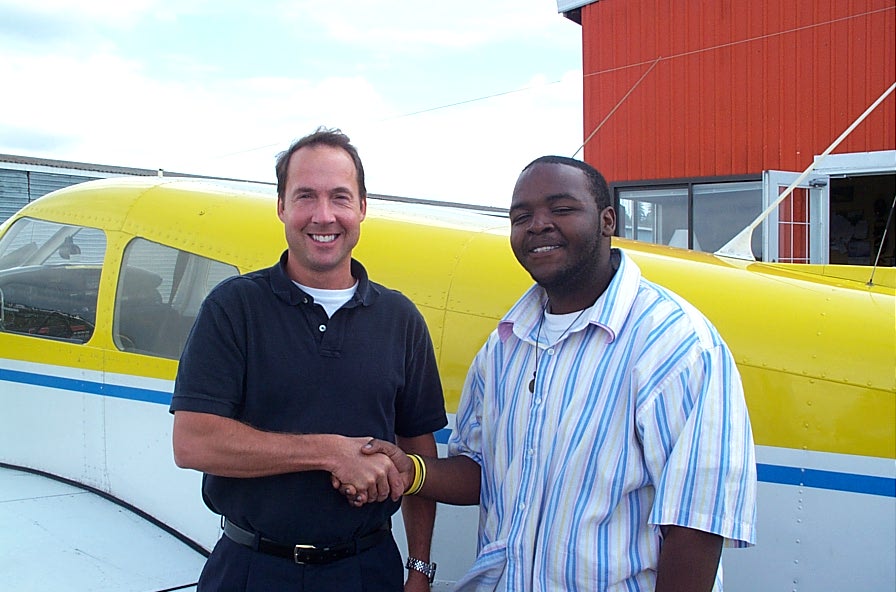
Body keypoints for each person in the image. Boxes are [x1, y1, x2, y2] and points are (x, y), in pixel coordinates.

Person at [357, 155, 757, 591]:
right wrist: (413, 471)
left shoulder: (676, 344)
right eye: (521, 217)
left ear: (607, 221)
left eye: (561, 209)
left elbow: (696, 524)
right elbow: (481, 472)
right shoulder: (505, 345)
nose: (538, 225)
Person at [170, 127, 447, 592]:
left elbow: (419, 451)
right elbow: (192, 443)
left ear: (362, 207)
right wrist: (331, 453)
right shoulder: (233, 307)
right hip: (251, 570)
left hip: (366, 570)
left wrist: (420, 568)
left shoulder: (400, 319)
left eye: (340, 197)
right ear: (281, 206)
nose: (323, 215)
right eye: (305, 196)